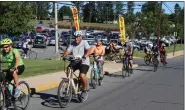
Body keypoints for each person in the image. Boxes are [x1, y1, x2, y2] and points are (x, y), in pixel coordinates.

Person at [63, 30, 91, 99]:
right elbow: (68, 50)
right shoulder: (72, 43)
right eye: (75, 37)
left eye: (78, 37)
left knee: (82, 76)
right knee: (68, 69)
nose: (76, 38)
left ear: (81, 37)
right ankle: (71, 82)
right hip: (75, 61)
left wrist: (84, 56)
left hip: (84, 62)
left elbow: (89, 50)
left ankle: (84, 89)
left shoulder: (84, 42)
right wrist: (64, 55)